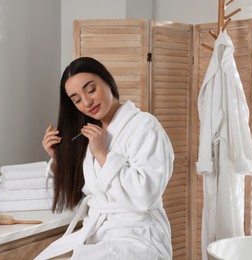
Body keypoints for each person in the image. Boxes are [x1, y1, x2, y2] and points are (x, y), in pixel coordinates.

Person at [37, 57, 174, 260]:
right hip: (98, 231)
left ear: (108, 81)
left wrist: (103, 155)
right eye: (76, 100)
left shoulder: (145, 126)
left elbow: (145, 196)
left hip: (137, 235)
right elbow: (76, 200)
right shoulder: (90, 134)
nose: (87, 102)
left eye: (91, 90)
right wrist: (58, 159)